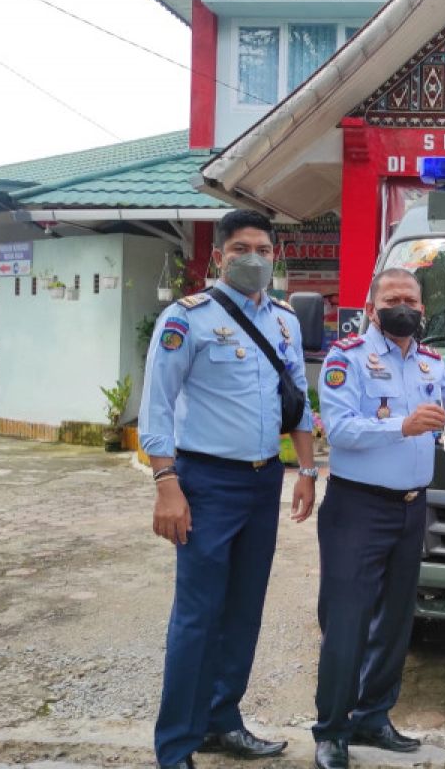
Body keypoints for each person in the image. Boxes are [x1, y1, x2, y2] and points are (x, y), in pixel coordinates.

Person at [312, 268, 445, 769]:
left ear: (423, 310)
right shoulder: (347, 359)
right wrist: (400, 425)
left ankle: (373, 716)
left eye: (411, 299)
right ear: (371, 306)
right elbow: (338, 429)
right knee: (348, 621)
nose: (402, 305)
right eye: (392, 298)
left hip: (411, 508)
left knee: (396, 621)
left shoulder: (430, 362)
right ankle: (333, 730)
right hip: (358, 507)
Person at [139, 209, 317, 769]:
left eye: (264, 249)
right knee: (197, 615)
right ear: (218, 256)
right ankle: (176, 746)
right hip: (206, 482)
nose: (254, 259)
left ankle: (222, 721)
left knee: (243, 610)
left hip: (266, 482)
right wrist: (167, 483)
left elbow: (299, 402)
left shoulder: (286, 321)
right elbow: (157, 406)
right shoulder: (185, 318)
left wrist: (308, 471)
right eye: (242, 248)